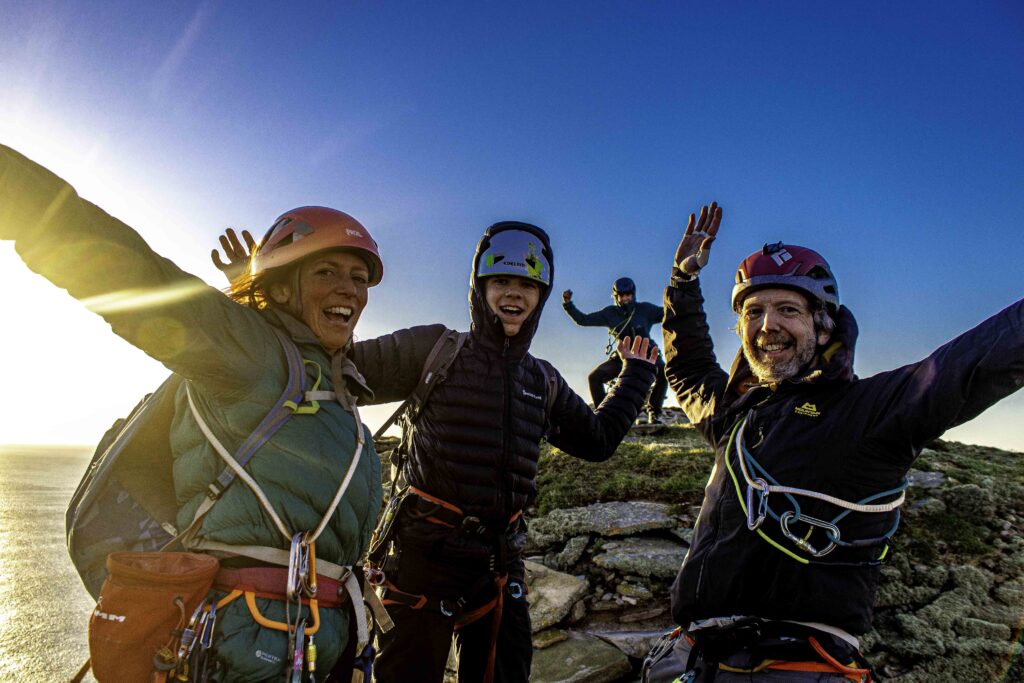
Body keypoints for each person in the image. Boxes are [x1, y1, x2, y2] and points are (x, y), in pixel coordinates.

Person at [0, 145, 382, 681]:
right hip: (246, 645)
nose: (349, 289)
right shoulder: (250, 355)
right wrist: (21, 195)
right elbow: (139, 277)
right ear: (279, 287)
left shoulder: (331, 382)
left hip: (310, 640)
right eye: (327, 272)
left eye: (359, 278)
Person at [216, 221, 659, 682]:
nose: (514, 293)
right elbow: (321, 363)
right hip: (421, 564)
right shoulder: (435, 349)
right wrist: (263, 298)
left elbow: (598, 441)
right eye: (501, 280)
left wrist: (636, 375)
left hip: (501, 567)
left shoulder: (542, 379)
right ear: (480, 288)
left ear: (541, 296)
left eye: (528, 285)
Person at [650, 201, 1024, 681]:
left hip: (798, 665)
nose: (767, 326)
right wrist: (683, 280)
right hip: (692, 657)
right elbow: (687, 368)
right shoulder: (735, 414)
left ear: (823, 323)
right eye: (753, 311)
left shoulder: (870, 412)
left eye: (788, 309)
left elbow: (974, 362)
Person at [562, 277, 669, 422]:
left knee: (663, 373)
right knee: (594, 378)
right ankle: (604, 417)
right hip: (623, 358)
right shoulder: (609, 313)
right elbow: (583, 320)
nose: (625, 298)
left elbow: (669, 312)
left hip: (647, 354)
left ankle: (654, 413)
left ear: (633, 294)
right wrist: (568, 304)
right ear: (615, 296)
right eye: (621, 295)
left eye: (628, 295)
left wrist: (678, 299)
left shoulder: (645, 309)